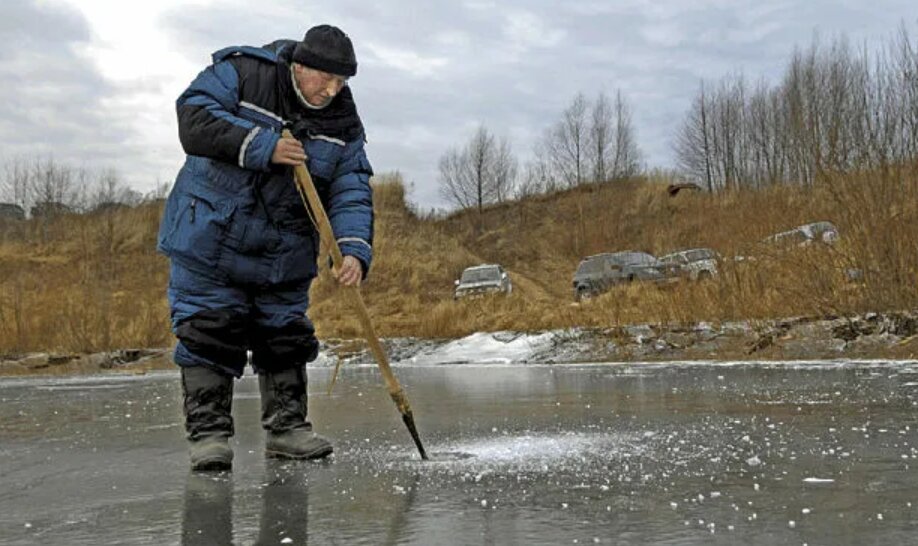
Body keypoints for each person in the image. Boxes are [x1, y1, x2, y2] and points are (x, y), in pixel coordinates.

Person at [157, 24, 374, 471]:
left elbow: (350, 188)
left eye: (341, 83)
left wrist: (352, 249)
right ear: (299, 65)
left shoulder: (343, 124)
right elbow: (194, 118)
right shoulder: (244, 73)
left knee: (285, 337)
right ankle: (209, 436)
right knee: (208, 330)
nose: (331, 90)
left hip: (284, 247)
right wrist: (263, 146)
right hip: (210, 235)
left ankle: (288, 429)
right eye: (324, 79)